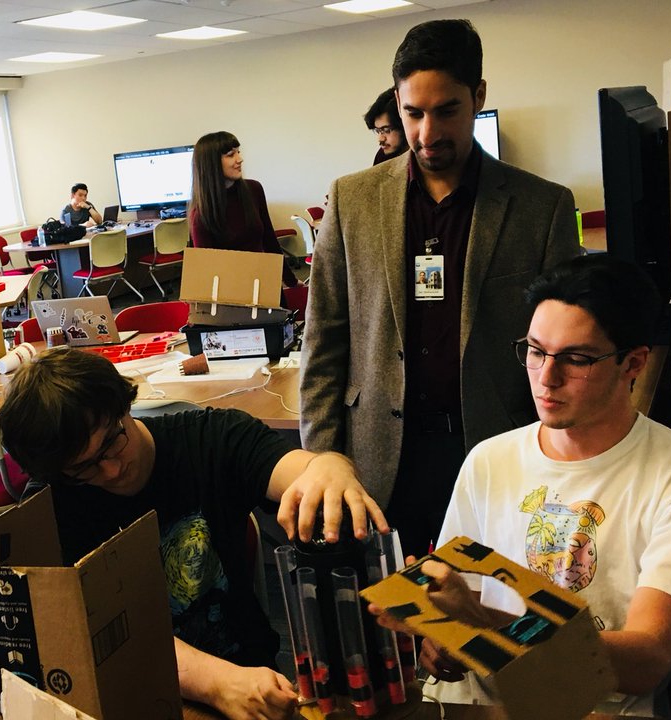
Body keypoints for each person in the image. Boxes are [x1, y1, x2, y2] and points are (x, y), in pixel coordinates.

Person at [373, 255, 671, 716]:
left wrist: (492, 621)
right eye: (535, 351)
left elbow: (648, 660)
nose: (546, 378)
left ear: (633, 363)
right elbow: (459, 601)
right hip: (475, 704)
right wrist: (440, 636)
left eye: (577, 359)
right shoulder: (490, 459)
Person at [300, 19, 581, 556]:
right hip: (380, 453)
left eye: (446, 110)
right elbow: (325, 338)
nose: (427, 133)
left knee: (492, 610)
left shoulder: (541, 207)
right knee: (387, 616)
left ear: (477, 96)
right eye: (412, 113)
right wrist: (321, 458)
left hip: (495, 446)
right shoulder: (352, 200)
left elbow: (560, 350)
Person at [0, 347, 389, 720]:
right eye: (85, 468)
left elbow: (300, 471)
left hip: (250, 678)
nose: (112, 471)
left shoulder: (210, 438)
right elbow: (78, 630)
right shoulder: (49, 503)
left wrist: (329, 468)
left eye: (112, 442)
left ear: (124, 404)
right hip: (132, 690)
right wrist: (213, 682)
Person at [189, 131, 298, 287]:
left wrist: (290, 280)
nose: (240, 159)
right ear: (211, 163)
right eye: (230, 154)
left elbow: (269, 240)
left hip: (264, 282)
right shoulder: (201, 215)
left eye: (238, 152)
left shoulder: (254, 189)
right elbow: (208, 272)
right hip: (232, 293)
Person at [365, 86, 409, 165]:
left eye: (386, 130)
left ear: (404, 126)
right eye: (378, 131)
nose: (380, 139)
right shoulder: (382, 157)